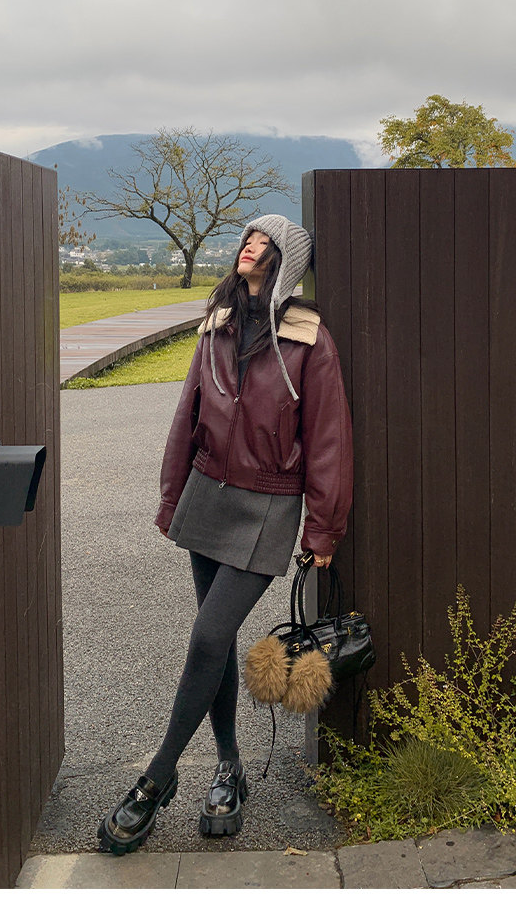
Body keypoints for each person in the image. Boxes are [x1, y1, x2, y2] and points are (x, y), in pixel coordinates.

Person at [97, 213, 353, 856]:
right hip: (206, 494)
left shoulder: (308, 340)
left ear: (285, 261)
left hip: (268, 505)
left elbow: (328, 440)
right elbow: (187, 413)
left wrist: (323, 527)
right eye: (247, 238)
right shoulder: (217, 325)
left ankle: (157, 778)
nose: (250, 247)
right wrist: (171, 496)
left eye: (265, 243)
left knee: (209, 636)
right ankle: (229, 768)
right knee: (218, 642)